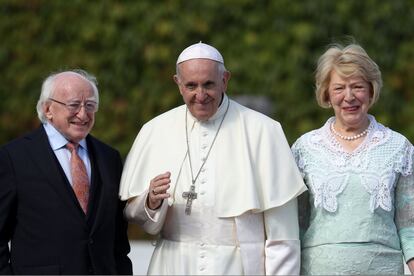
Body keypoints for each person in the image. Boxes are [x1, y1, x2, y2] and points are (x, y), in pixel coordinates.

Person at [119, 42, 307, 275]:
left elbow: (284, 237)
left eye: (208, 84)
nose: (200, 95)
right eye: (191, 85)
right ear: (178, 84)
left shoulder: (263, 131)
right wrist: (151, 201)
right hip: (172, 265)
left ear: (225, 80)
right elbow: (134, 216)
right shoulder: (155, 130)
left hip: (238, 266)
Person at [291, 43, 414, 274]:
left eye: (357, 86)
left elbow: (410, 228)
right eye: (339, 88)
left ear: (371, 90)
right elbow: (294, 226)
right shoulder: (303, 148)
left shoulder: (399, 147)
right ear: (326, 93)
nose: (349, 97)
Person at [0, 70, 132, 274]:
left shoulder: (109, 158)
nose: (83, 114)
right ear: (48, 109)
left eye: (90, 105)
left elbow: (118, 240)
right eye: (73, 105)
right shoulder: (14, 157)